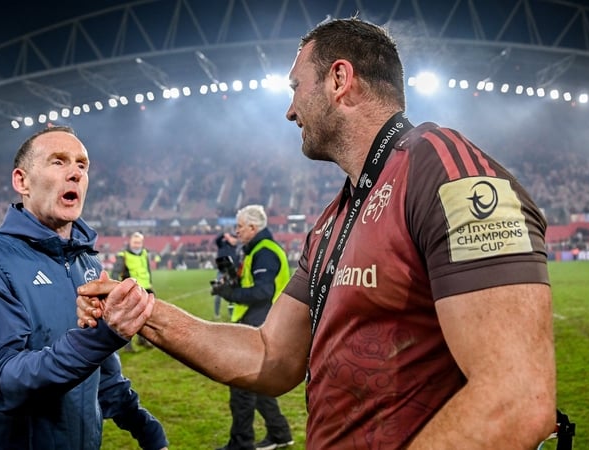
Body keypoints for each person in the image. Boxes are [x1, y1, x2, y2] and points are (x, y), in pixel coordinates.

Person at [77, 17, 556, 449]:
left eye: (296, 87)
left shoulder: (445, 170)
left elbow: (514, 398)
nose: (289, 110)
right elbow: (271, 356)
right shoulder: (335, 218)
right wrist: (143, 310)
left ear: (339, 80)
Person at [0, 126, 168, 450]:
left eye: (82, 164)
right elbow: (5, 383)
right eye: (58, 162)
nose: (75, 172)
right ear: (22, 181)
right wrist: (104, 336)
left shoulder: (87, 264)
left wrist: (146, 428)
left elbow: (102, 374)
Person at [208, 205, 294, 450]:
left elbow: (263, 291)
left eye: (240, 227)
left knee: (242, 386)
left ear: (253, 228)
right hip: (262, 321)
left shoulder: (264, 252)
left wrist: (230, 293)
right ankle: (280, 434)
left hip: (260, 321)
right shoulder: (256, 248)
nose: (237, 231)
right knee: (259, 384)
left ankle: (241, 443)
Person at [112, 231, 155, 351]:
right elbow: (116, 273)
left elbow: (147, 270)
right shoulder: (123, 255)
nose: (137, 244)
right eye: (135, 242)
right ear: (130, 242)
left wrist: (150, 283)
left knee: (146, 317)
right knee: (129, 318)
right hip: (132, 290)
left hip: (146, 288)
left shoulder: (144, 253)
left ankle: (143, 340)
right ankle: (127, 345)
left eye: (139, 242)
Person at [212, 230, 239, 320]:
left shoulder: (238, 248)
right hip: (222, 271)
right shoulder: (222, 244)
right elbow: (217, 240)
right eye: (232, 237)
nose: (234, 240)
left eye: (235, 238)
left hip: (232, 272)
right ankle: (216, 313)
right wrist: (224, 234)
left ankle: (231, 314)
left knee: (232, 294)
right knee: (218, 293)